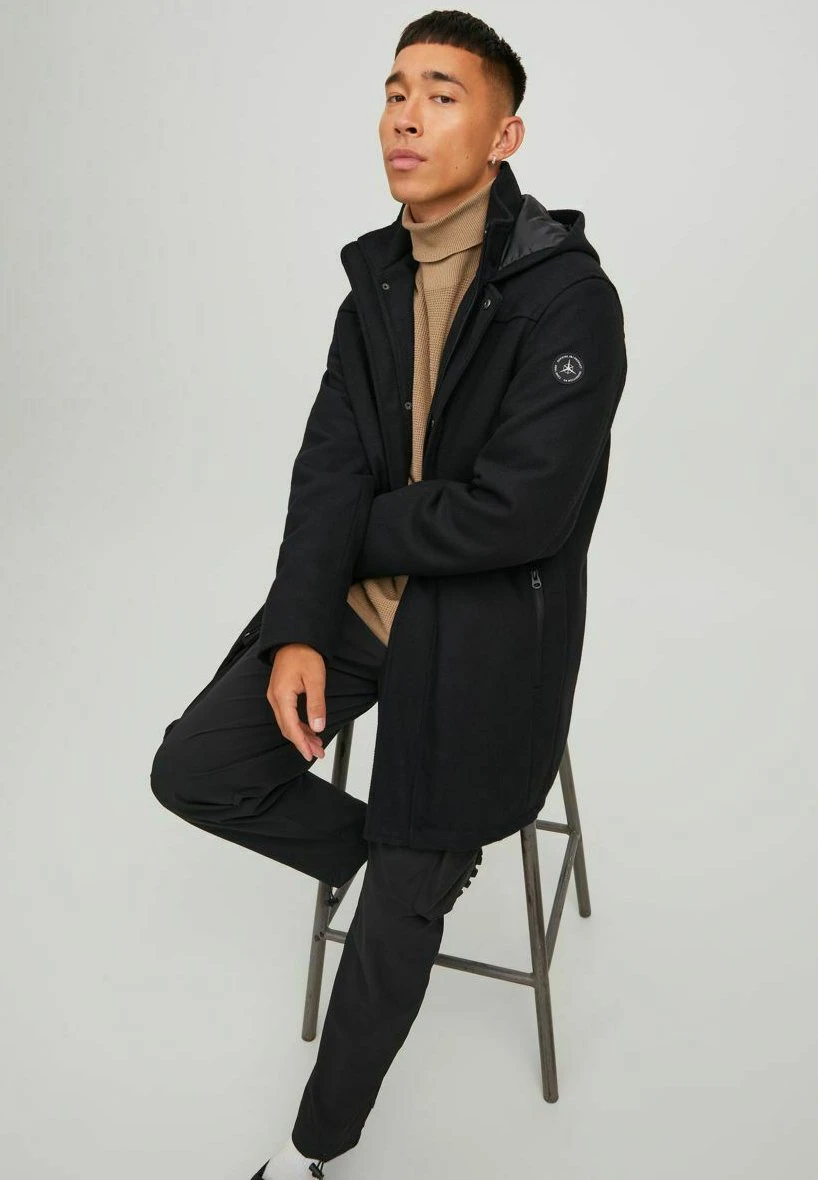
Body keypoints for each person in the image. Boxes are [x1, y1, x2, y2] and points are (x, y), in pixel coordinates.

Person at [150, 10, 627, 1178]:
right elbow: (327, 468)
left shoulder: (568, 299)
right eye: (394, 90)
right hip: (362, 612)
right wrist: (299, 625)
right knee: (194, 767)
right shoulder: (370, 281)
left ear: (504, 134)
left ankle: (311, 1150)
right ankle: (390, 857)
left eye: (442, 94)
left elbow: (520, 513)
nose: (406, 116)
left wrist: (365, 528)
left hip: (483, 638)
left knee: (395, 920)